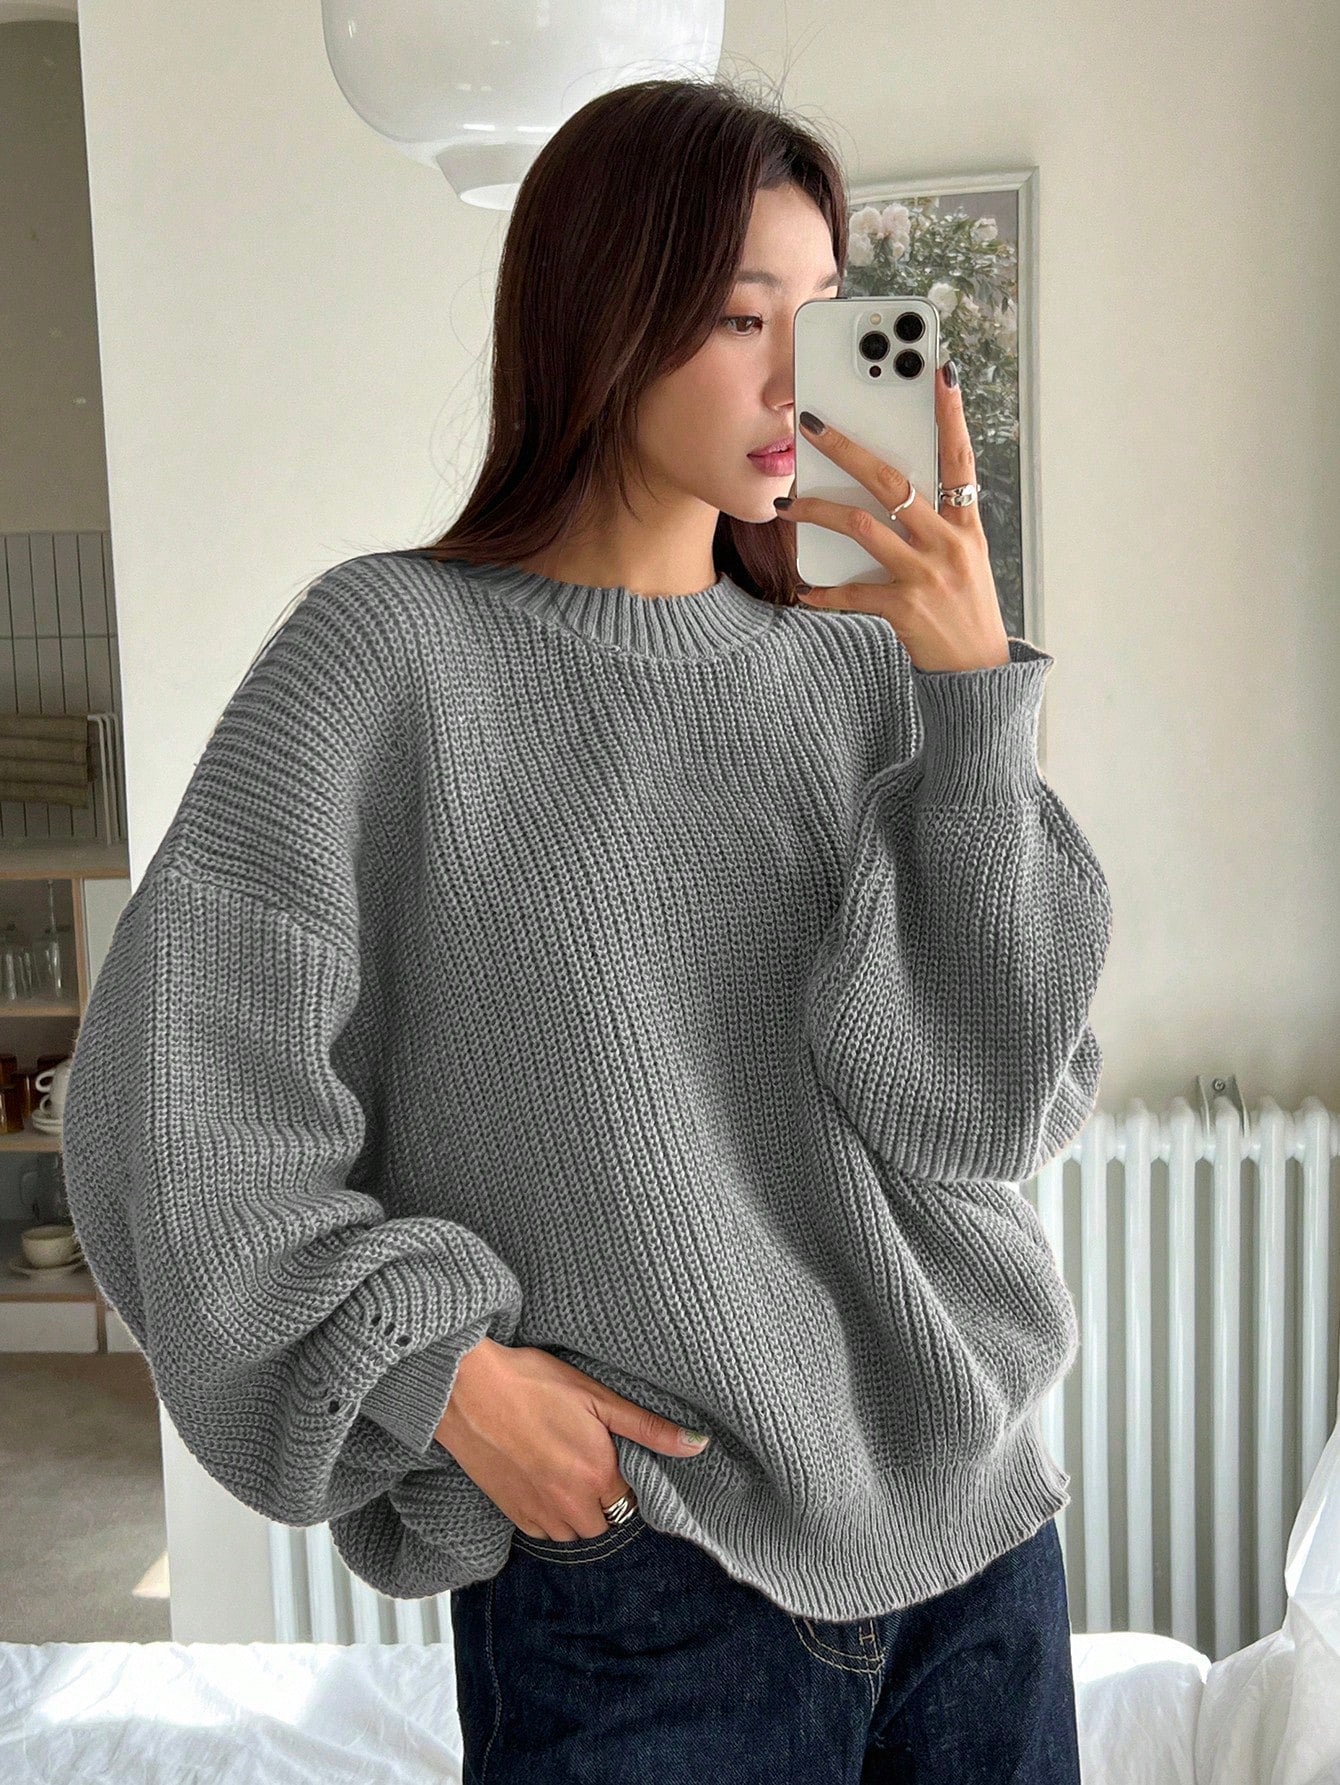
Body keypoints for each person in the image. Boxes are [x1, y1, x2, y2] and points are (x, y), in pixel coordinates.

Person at [61, 75, 1112, 1783]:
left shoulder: (868, 680)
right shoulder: (387, 659)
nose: (793, 380)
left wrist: (975, 704)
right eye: (739, 317)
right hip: (641, 1577)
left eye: (820, 314)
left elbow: (983, 1111)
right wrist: (447, 1375)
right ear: (601, 314)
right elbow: (168, 1116)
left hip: (974, 1545)